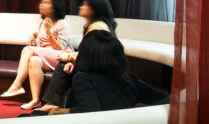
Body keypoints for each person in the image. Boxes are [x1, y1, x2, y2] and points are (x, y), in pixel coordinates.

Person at [28, 30, 167, 115]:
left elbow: (89, 111)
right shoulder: (130, 79)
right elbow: (166, 99)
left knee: (32, 117)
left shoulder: (83, 79)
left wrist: (58, 111)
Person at [36, 0, 119, 112]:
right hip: (92, 65)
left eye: (85, 5)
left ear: (94, 9)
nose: (81, 7)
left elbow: (95, 55)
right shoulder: (92, 26)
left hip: (98, 70)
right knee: (64, 66)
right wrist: (73, 61)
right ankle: (52, 103)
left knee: (62, 65)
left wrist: (72, 58)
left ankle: (53, 103)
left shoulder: (98, 28)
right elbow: (87, 51)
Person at [0, 0, 72, 110]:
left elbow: (59, 47)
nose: (42, 5)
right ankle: (36, 100)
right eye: (41, 2)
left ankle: (17, 84)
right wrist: (33, 34)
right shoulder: (42, 22)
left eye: (47, 3)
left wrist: (48, 31)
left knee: (27, 49)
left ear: (55, 7)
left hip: (61, 57)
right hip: (47, 56)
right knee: (34, 61)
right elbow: (40, 36)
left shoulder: (62, 24)